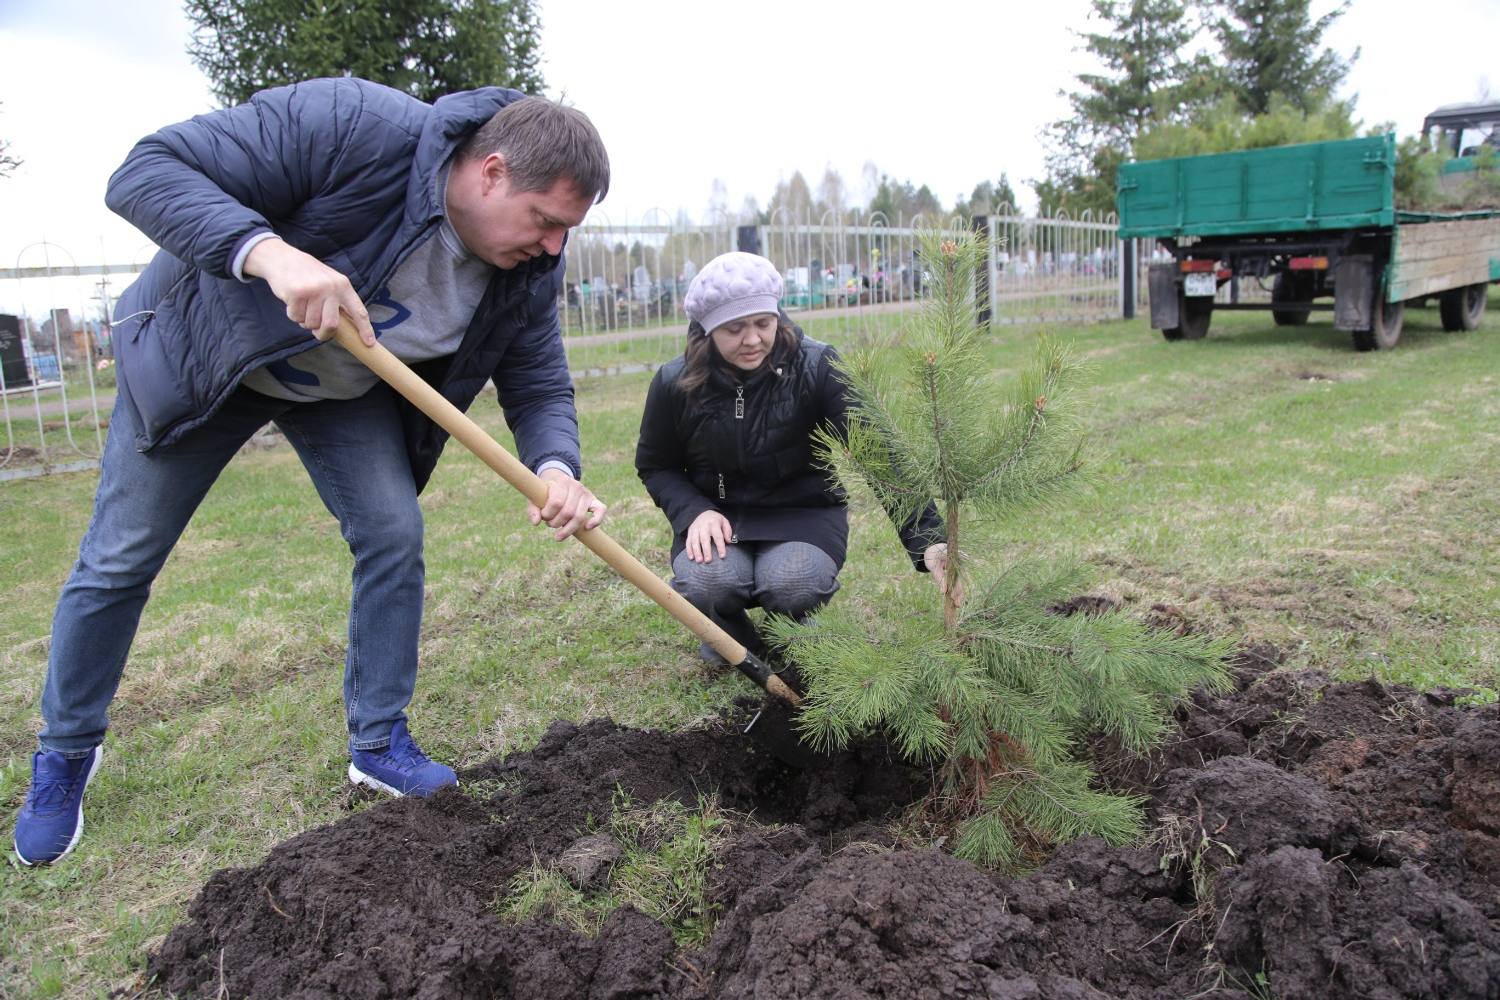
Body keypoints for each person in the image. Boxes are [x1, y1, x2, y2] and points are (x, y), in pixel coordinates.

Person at [13, 77, 611, 867]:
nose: (552, 247)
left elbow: (536, 376)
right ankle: (64, 754)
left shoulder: (527, 268)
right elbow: (146, 171)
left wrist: (557, 465)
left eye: (566, 231)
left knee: (392, 531)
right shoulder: (351, 125)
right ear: (492, 171)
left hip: (345, 388)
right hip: (214, 354)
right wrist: (271, 254)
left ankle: (377, 742)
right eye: (545, 222)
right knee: (121, 555)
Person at [634, 252, 956, 667]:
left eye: (763, 323)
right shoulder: (674, 383)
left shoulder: (817, 366)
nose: (753, 340)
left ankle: (792, 628)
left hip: (803, 514)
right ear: (706, 330)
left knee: (793, 581)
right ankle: (732, 637)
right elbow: (655, 464)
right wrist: (694, 511)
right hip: (718, 518)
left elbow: (878, 454)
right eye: (734, 329)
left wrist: (930, 541)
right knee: (708, 581)